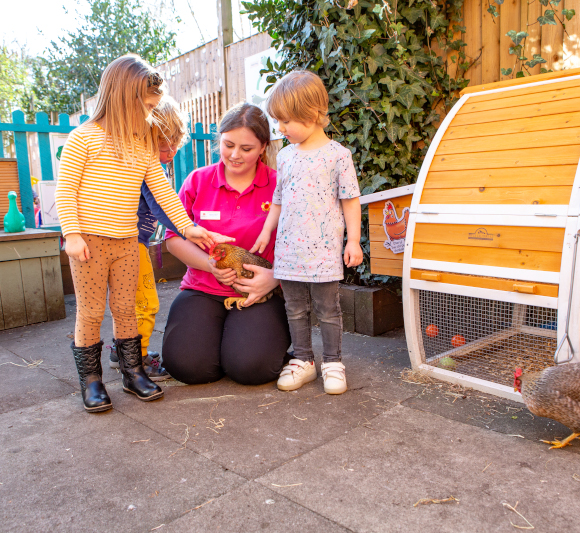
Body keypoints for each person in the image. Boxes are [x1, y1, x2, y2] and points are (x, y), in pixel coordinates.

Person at [55, 55, 231, 413]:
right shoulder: (83, 139)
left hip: (126, 243)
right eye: (147, 107)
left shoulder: (141, 146)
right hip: (89, 244)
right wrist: (71, 234)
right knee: (90, 312)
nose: (150, 115)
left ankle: (133, 372)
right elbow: (65, 191)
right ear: (124, 99)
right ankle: (91, 381)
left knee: (126, 309)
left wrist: (188, 227)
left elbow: (163, 192)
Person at [161, 102, 291, 385]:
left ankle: (245, 348)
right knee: (186, 367)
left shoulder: (279, 184)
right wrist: (209, 264)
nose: (235, 155)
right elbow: (173, 239)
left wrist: (274, 278)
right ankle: (222, 345)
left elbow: (301, 241)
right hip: (202, 286)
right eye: (228, 144)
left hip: (258, 291)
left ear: (263, 147)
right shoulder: (198, 181)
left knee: (251, 369)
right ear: (218, 139)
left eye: (246, 148)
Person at [250, 70, 362, 395]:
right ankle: (303, 361)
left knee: (329, 309)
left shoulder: (338, 156)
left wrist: (353, 240)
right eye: (278, 121)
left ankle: (333, 362)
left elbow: (351, 200)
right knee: (294, 307)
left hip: (324, 251)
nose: (280, 129)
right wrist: (265, 233)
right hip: (288, 251)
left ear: (312, 115)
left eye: (286, 121)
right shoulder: (284, 156)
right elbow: (278, 201)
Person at [108, 95, 189, 381]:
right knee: (145, 303)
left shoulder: (146, 164)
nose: (169, 154)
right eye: (163, 147)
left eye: (174, 147)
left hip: (132, 242)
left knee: (128, 301)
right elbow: (162, 207)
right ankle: (136, 357)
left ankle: (122, 350)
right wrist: (187, 230)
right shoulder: (145, 168)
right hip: (131, 244)